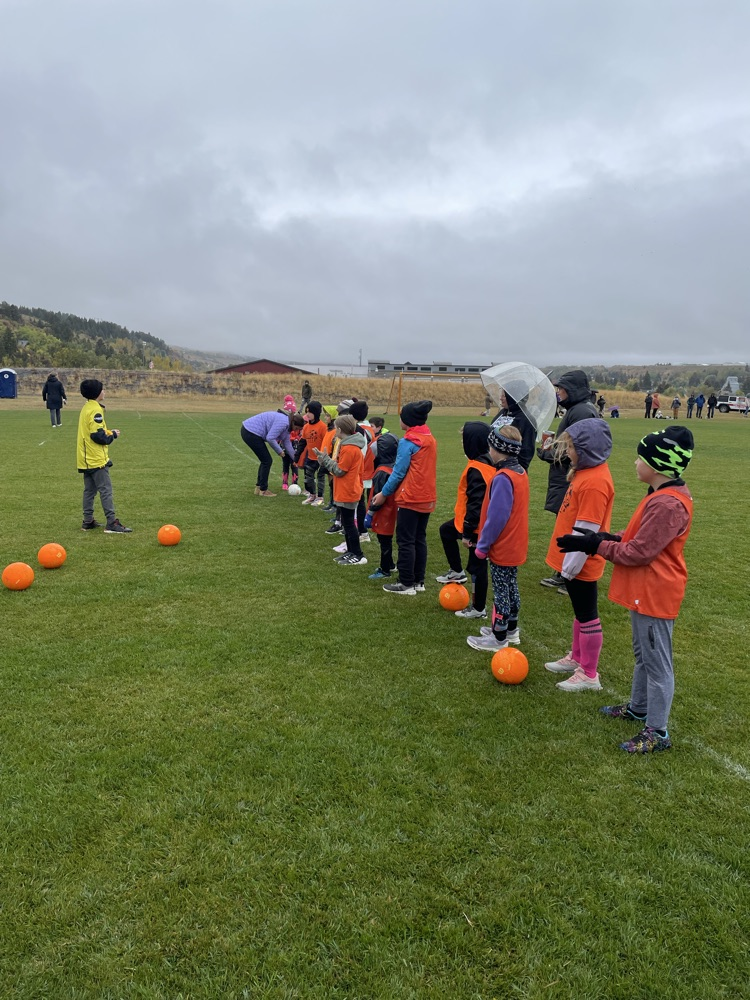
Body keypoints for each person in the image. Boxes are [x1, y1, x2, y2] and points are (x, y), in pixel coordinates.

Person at [556, 426, 695, 753]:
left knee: (658, 664)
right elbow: (636, 536)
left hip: (655, 592)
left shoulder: (668, 504)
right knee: (643, 655)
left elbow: (640, 552)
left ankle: (657, 731)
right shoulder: (659, 497)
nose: (635, 463)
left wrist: (596, 545)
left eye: (641, 458)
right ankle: (638, 707)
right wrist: (603, 538)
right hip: (644, 590)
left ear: (658, 465)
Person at [543, 419, 615, 691]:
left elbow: (586, 530)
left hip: (582, 561)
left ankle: (589, 673)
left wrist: (570, 567)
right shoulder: (585, 472)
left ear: (588, 448)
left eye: (572, 447)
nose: (569, 452)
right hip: (573, 559)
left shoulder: (596, 481)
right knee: (579, 611)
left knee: (587, 614)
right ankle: (577, 657)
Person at [466, 425, 529, 651]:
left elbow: (497, 517)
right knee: (511, 586)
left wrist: (483, 546)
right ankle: (511, 630)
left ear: (497, 449)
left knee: (501, 589)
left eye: (491, 446)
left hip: (503, 544)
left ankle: (498, 637)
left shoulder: (503, 478)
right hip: (517, 542)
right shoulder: (520, 472)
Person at [537, 370, 598, 591]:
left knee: (573, 526)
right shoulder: (578, 409)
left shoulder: (581, 411)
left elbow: (577, 448)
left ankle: (571, 574)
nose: (558, 392)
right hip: (566, 475)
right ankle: (563, 571)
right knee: (566, 524)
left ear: (571, 390)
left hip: (569, 476)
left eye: (561, 388)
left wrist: (546, 453)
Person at [371, 400, 437, 596]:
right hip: (428, 496)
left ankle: (406, 583)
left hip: (410, 497)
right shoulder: (430, 438)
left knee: (405, 540)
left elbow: (398, 473)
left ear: (407, 420)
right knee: (419, 538)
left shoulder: (408, 441)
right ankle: (418, 580)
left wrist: (383, 494)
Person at [435, 422, 495, 620]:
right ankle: (456, 571)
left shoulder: (478, 469)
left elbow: (476, 505)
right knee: (446, 530)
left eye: (464, 440)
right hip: (466, 522)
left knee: (477, 567)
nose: (462, 444)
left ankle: (478, 608)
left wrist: (469, 532)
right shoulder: (482, 462)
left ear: (472, 442)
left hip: (476, 527)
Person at [76, 378, 132, 533]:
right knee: (106, 490)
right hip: (96, 459)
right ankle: (111, 523)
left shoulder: (87, 407)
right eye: (102, 389)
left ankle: (87, 521)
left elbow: (92, 431)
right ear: (97, 393)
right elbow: (97, 436)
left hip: (85, 459)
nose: (104, 391)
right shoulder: (96, 410)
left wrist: (107, 431)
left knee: (89, 491)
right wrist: (112, 435)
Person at [314, 414, 367, 567]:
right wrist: (324, 459)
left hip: (348, 491)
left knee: (349, 524)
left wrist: (325, 459)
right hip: (346, 490)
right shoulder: (348, 446)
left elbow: (339, 470)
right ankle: (351, 551)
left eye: (336, 428)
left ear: (340, 429)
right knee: (346, 522)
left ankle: (358, 554)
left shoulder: (350, 448)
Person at [365, 431, 399, 580]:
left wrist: (370, 514)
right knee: (386, 539)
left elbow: (378, 497)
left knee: (384, 541)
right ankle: (390, 564)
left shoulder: (381, 472)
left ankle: (385, 569)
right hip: (392, 511)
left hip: (384, 512)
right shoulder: (395, 468)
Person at [240, 409, 297, 497]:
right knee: (267, 461)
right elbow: (270, 438)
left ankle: (259, 488)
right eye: (297, 428)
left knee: (265, 460)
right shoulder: (284, 422)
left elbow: (287, 444)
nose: (296, 431)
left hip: (249, 431)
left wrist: (296, 459)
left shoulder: (287, 427)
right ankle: (263, 490)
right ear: (294, 423)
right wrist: (279, 451)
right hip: (250, 432)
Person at [490, 387, 536, 471]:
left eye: (504, 395)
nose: (501, 398)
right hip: (493, 467)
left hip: (511, 470)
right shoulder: (503, 412)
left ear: (513, 397)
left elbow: (526, 452)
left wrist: (514, 469)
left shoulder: (526, 420)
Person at [296, 401, 328, 505]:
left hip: (320, 459)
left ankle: (320, 497)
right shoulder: (306, 427)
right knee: (308, 477)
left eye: (310, 412)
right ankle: (312, 495)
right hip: (310, 457)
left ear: (316, 413)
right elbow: (302, 442)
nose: (307, 414)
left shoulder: (323, 427)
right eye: (306, 412)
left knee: (320, 477)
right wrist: (297, 455)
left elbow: (326, 443)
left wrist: (324, 457)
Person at [282, 413, 304, 490]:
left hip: (295, 448)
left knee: (294, 465)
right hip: (285, 448)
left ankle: (294, 482)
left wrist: (297, 438)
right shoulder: (287, 427)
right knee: (285, 465)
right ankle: (284, 482)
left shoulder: (299, 429)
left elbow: (301, 436)